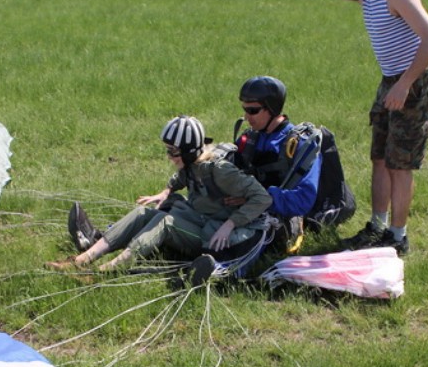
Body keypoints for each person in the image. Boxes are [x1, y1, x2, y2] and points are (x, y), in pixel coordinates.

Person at [234, 0, 428, 255]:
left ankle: (398, 237)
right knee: (380, 158)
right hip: (392, 80)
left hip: (414, 80)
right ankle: (377, 227)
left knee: (400, 164)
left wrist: (404, 84)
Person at [48, 115, 272, 272]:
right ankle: (83, 259)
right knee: (142, 213)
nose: (169, 156)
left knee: (165, 222)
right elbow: (183, 176)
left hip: (216, 234)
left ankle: (109, 270)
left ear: (188, 151)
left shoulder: (221, 170)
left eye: (173, 152)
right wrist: (166, 191)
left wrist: (230, 224)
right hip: (202, 219)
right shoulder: (192, 163)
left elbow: (263, 198)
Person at [232, 76, 321, 254]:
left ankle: (223, 266)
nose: (246, 117)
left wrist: (258, 198)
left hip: (277, 216)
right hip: (244, 209)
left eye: (252, 110)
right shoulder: (248, 139)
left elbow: (304, 199)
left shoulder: (301, 145)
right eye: (245, 110)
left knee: (246, 238)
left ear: (272, 108)